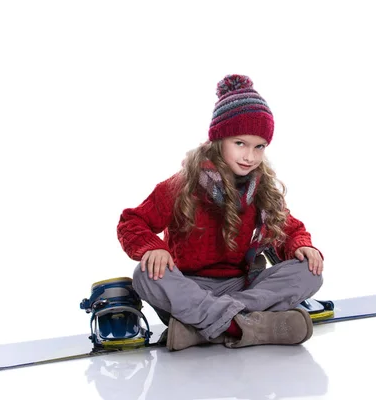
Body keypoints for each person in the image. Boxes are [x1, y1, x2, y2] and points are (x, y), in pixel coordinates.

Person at [117, 74, 324, 351]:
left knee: (310, 272)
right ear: (218, 140)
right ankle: (249, 327)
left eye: (259, 146)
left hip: (242, 286)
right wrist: (152, 248)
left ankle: (202, 329)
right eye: (240, 143)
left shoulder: (260, 189)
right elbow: (131, 221)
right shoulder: (181, 186)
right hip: (188, 289)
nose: (249, 156)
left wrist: (302, 245)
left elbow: (288, 229)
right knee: (145, 275)